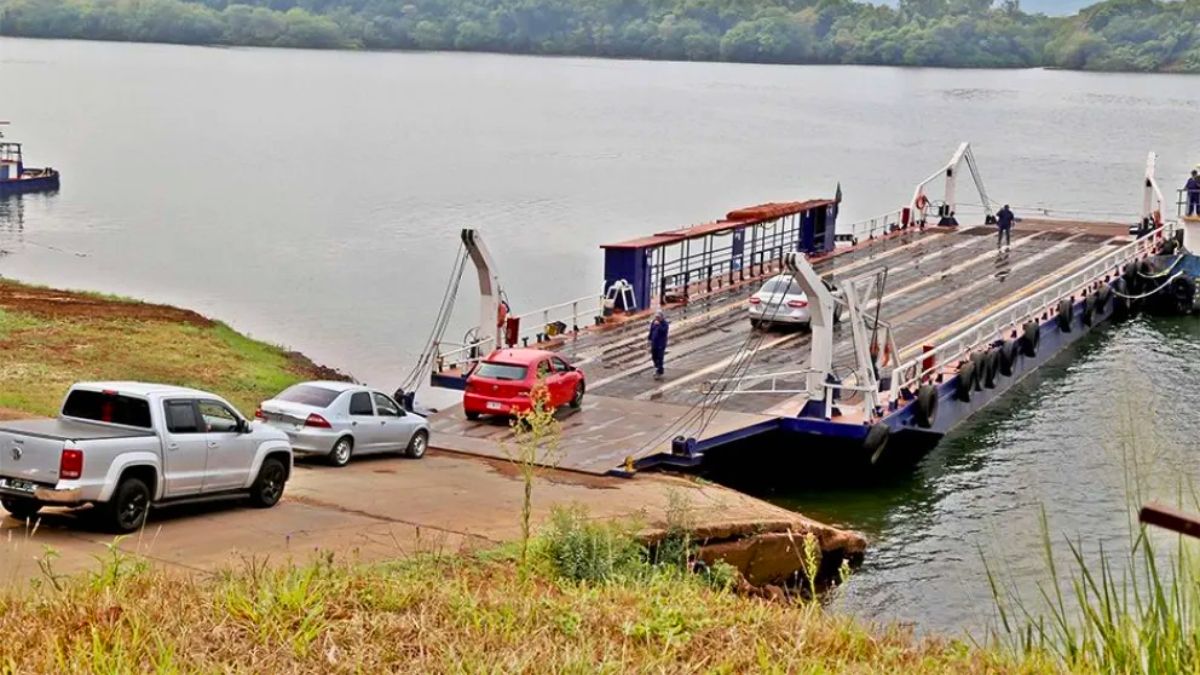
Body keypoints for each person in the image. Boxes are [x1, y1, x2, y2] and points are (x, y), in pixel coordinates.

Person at [648, 309, 669, 380]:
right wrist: (649, 339)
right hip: (654, 342)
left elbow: (663, 331)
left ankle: (659, 370)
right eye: (656, 317)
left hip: (661, 343)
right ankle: (657, 367)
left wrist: (659, 325)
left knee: (660, 357)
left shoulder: (664, 324)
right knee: (654, 356)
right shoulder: (654, 322)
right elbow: (651, 330)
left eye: (658, 317)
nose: (657, 319)